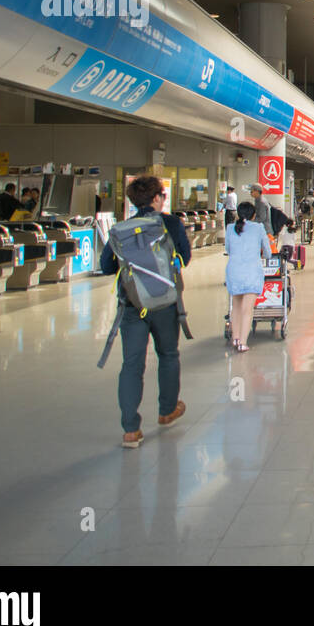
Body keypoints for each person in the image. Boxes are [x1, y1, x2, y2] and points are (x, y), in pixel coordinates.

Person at [100, 175, 190, 447]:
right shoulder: (171, 223)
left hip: (131, 306)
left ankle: (130, 429)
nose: (164, 199)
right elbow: (184, 257)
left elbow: (106, 267)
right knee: (168, 354)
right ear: (155, 199)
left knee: (132, 365)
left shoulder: (121, 228)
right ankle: (167, 410)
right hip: (164, 303)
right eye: (162, 195)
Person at [225, 200, 271, 353]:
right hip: (251, 271)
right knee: (247, 309)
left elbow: (228, 248)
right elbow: (268, 251)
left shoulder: (230, 228)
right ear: (253, 215)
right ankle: (243, 342)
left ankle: (235, 338)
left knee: (236, 307)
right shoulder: (258, 228)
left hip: (234, 271)